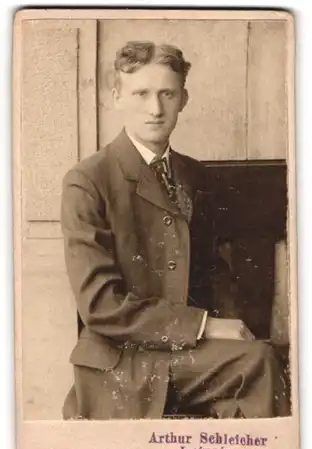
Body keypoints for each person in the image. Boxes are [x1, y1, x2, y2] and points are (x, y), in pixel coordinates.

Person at [61, 41, 289, 420]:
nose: (155, 109)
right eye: (141, 94)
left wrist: (236, 325)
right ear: (116, 97)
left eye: (167, 93)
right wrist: (205, 326)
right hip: (122, 358)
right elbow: (100, 306)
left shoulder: (193, 175)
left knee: (260, 355)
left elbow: (213, 274)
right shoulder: (87, 180)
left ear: (184, 99)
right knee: (259, 364)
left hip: (183, 354)